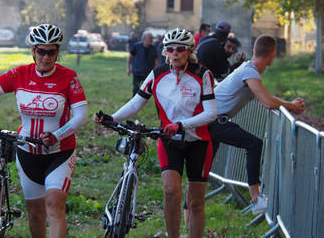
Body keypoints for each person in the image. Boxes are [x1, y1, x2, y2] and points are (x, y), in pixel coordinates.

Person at [0, 23, 88, 237]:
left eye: (51, 52)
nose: (46, 57)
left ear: (57, 52)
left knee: (54, 206)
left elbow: (81, 116)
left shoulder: (68, 77)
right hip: (27, 152)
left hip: (60, 152)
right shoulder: (19, 74)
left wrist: (56, 135)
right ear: (33, 51)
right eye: (41, 51)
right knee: (35, 214)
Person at [96, 28, 217, 238]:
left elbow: (211, 113)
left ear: (189, 51)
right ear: (165, 52)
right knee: (171, 193)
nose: (175, 53)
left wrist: (182, 124)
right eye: (170, 49)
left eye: (180, 49)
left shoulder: (202, 75)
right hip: (169, 141)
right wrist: (112, 117)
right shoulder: (158, 74)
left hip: (199, 142)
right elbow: (136, 103)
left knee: (196, 202)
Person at [209, 35, 305, 214]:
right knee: (254, 143)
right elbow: (268, 102)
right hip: (214, 122)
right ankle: (256, 197)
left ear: (255, 50)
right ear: (272, 56)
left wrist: (289, 104)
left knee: (199, 178)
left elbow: (266, 96)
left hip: (213, 121)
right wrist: (292, 106)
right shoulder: (249, 71)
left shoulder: (248, 69)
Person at [126, 32, 158, 96]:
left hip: (148, 73)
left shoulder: (153, 48)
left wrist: (156, 69)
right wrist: (128, 68)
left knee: (146, 90)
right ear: (144, 39)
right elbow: (130, 57)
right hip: (137, 72)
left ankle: (142, 101)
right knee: (136, 88)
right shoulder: (136, 46)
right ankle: (134, 102)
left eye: (152, 38)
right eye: (150, 38)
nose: (152, 40)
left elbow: (156, 60)